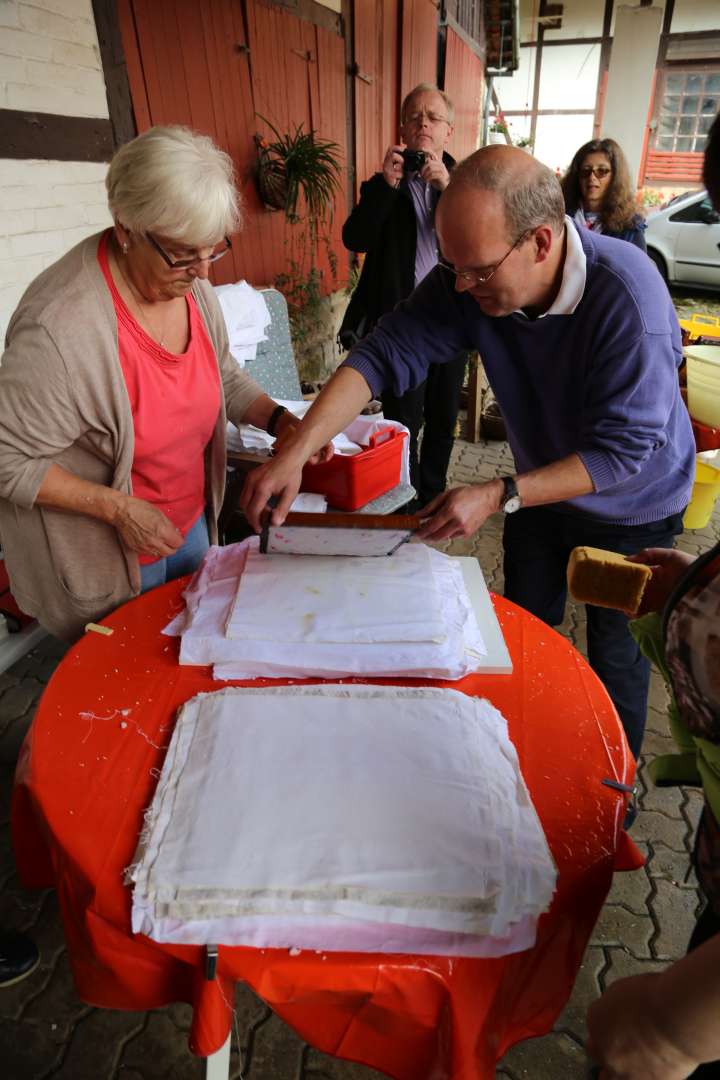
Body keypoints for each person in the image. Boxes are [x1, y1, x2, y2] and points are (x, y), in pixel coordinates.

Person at [241, 145, 696, 763]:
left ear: (540, 242)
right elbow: (381, 353)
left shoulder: (628, 299)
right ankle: (521, 760)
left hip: (632, 506)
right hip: (536, 487)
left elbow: (620, 455)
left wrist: (499, 492)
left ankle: (614, 795)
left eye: (476, 271)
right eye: (453, 267)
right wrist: (296, 451)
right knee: (524, 631)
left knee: (616, 654)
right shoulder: (472, 276)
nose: (459, 286)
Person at [0, 125, 323, 642]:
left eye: (213, 251)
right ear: (126, 227)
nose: (200, 272)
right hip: (109, 550)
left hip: (189, 522)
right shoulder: (60, 329)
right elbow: (7, 460)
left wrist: (280, 421)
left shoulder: (189, 285)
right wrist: (119, 509)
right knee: (127, 684)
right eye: (182, 254)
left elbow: (222, 373)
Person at [586, 109, 720, 1080]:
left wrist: (677, 1028)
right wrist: (699, 589)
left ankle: (615, 810)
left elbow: (636, 440)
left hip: (626, 495)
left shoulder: (632, 274)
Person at [338, 83, 468, 508]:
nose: (423, 124)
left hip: (453, 319)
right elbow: (355, 238)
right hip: (403, 324)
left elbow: (479, 237)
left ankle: (433, 494)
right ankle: (404, 499)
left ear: (448, 131)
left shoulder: (466, 183)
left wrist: (447, 188)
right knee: (404, 417)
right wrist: (387, 185)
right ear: (403, 129)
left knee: (445, 415)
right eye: (414, 117)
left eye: (433, 117)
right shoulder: (381, 186)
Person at [562, 137, 647, 251]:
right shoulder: (561, 216)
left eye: (602, 171)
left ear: (615, 177)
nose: (592, 177)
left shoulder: (630, 226)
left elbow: (637, 268)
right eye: (586, 171)